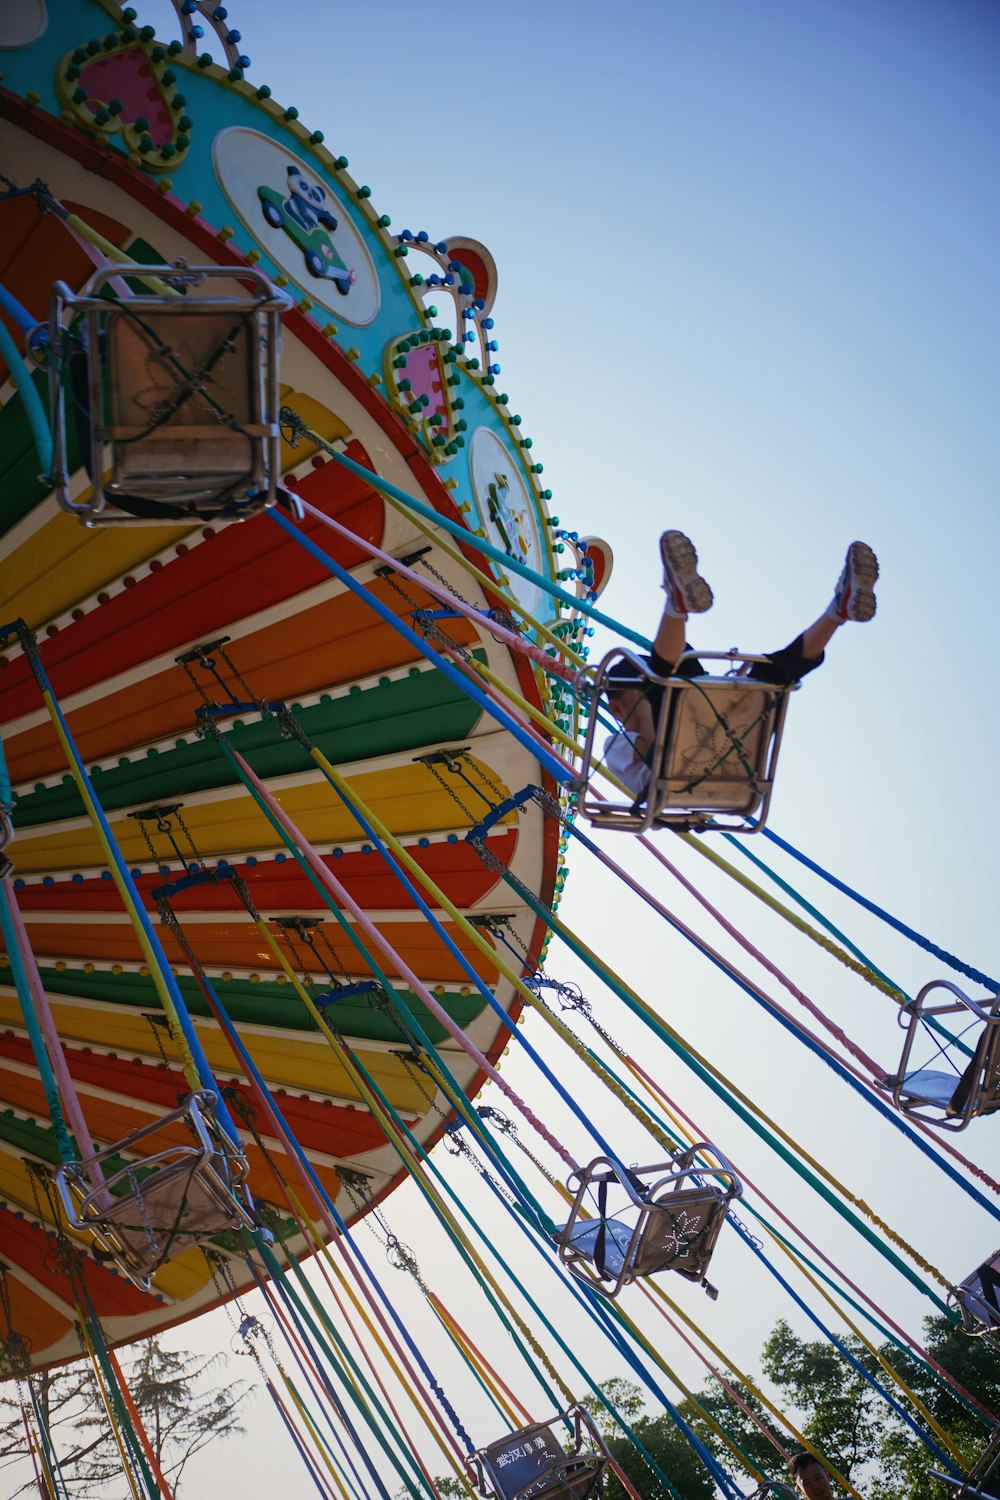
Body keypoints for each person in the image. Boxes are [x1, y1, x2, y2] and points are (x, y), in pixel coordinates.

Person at [603, 530, 879, 800]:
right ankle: (676, 605)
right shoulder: (614, 744)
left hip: (722, 751)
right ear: (616, 707)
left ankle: (838, 609)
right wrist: (654, 690)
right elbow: (650, 742)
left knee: (769, 676)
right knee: (667, 674)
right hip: (670, 771)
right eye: (642, 692)